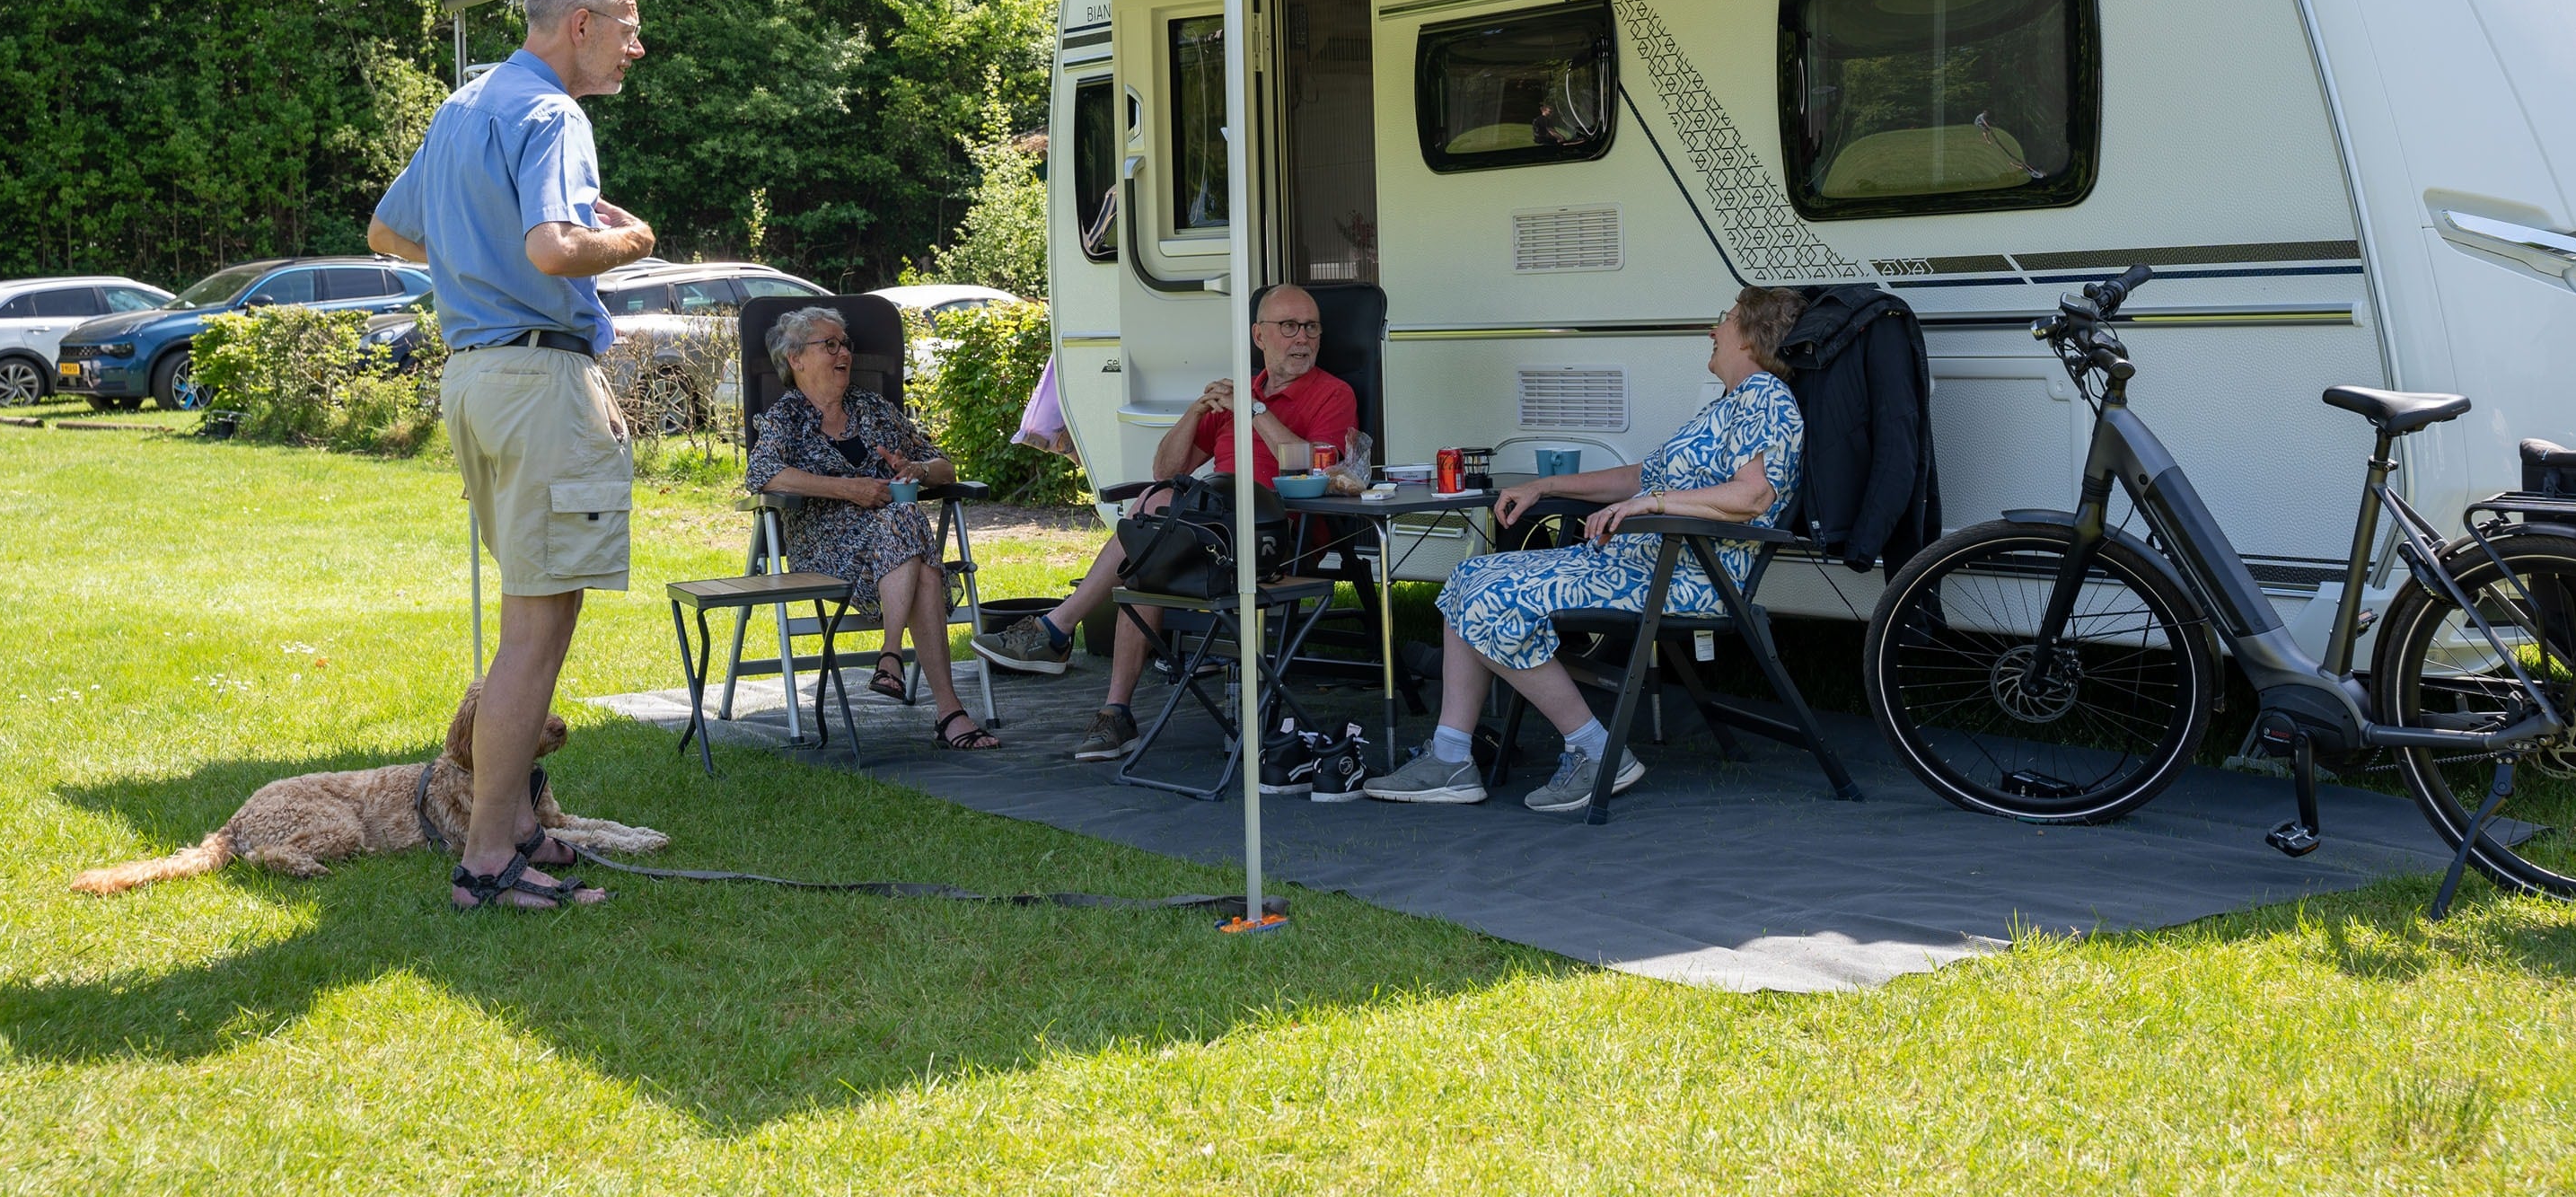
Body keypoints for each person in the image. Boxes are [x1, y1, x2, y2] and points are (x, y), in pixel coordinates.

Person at [367, 0, 655, 911]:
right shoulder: (553, 114)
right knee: (539, 623)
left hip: (477, 377)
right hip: (539, 378)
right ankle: (490, 856)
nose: (635, 46)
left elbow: (387, 229)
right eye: (627, 26)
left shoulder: (464, 105)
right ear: (580, 23)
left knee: (531, 615)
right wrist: (634, 239)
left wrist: (472, 260)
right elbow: (555, 246)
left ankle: (518, 821)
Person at [1363, 286, 1808, 816]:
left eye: (1726, 319)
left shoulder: (1767, 397)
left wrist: (1652, 504)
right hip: (1642, 563)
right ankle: (1451, 757)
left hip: (1688, 575)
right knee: (1470, 578)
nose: (1712, 331)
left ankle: (1597, 751)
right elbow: (1637, 476)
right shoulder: (1728, 406)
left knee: (1494, 598)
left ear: (1752, 337)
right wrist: (1546, 488)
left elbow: (1752, 495)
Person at [971, 284, 1356, 761]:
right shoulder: (1240, 392)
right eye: (1289, 327)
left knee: (1152, 518)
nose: (1303, 338)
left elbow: (1315, 469)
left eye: (1312, 327)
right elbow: (1165, 469)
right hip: (1213, 533)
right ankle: (1116, 713)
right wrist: (1195, 413)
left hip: (1275, 539)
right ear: (1259, 335)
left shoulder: (1332, 393)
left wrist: (1254, 412)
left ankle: (1056, 632)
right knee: (1150, 537)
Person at [744, 304, 998, 749]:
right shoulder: (786, 418)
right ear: (796, 359)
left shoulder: (872, 409)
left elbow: (946, 467)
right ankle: (947, 710)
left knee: (905, 524)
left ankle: (892, 660)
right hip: (829, 552)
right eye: (830, 345)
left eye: (845, 344)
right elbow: (763, 474)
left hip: (895, 549)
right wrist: (850, 489)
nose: (844, 353)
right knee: (914, 540)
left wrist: (916, 470)